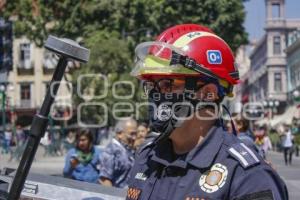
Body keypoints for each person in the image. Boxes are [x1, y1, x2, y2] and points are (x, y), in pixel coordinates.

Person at [126, 24, 288, 200]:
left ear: (207, 93)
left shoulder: (247, 177)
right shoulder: (147, 157)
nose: (155, 95)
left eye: (167, 84)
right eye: (151, 86)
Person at [98, 118, 137, 188]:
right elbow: (104, 179)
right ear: (120, 134)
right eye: (132, 134)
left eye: (135, 134)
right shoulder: (111, 151)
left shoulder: (128, 149)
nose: (134, 138)